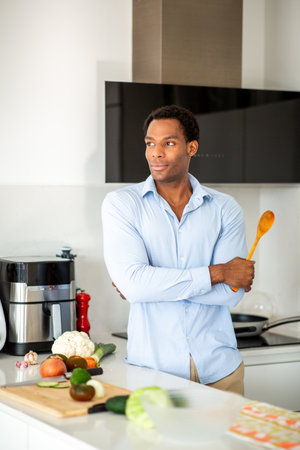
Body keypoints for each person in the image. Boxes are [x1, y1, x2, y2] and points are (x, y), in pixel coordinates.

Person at [101, 105, 255, 395]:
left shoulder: (225, 209)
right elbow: (135, 286)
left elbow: (229, 295)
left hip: (221, 370)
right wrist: (219, 272)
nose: (155, 153)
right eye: (150, 143)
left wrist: (154, 284)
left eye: (168, 143)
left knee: (226, 443)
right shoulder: (122, 205)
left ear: (191, 147)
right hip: (153, 374)